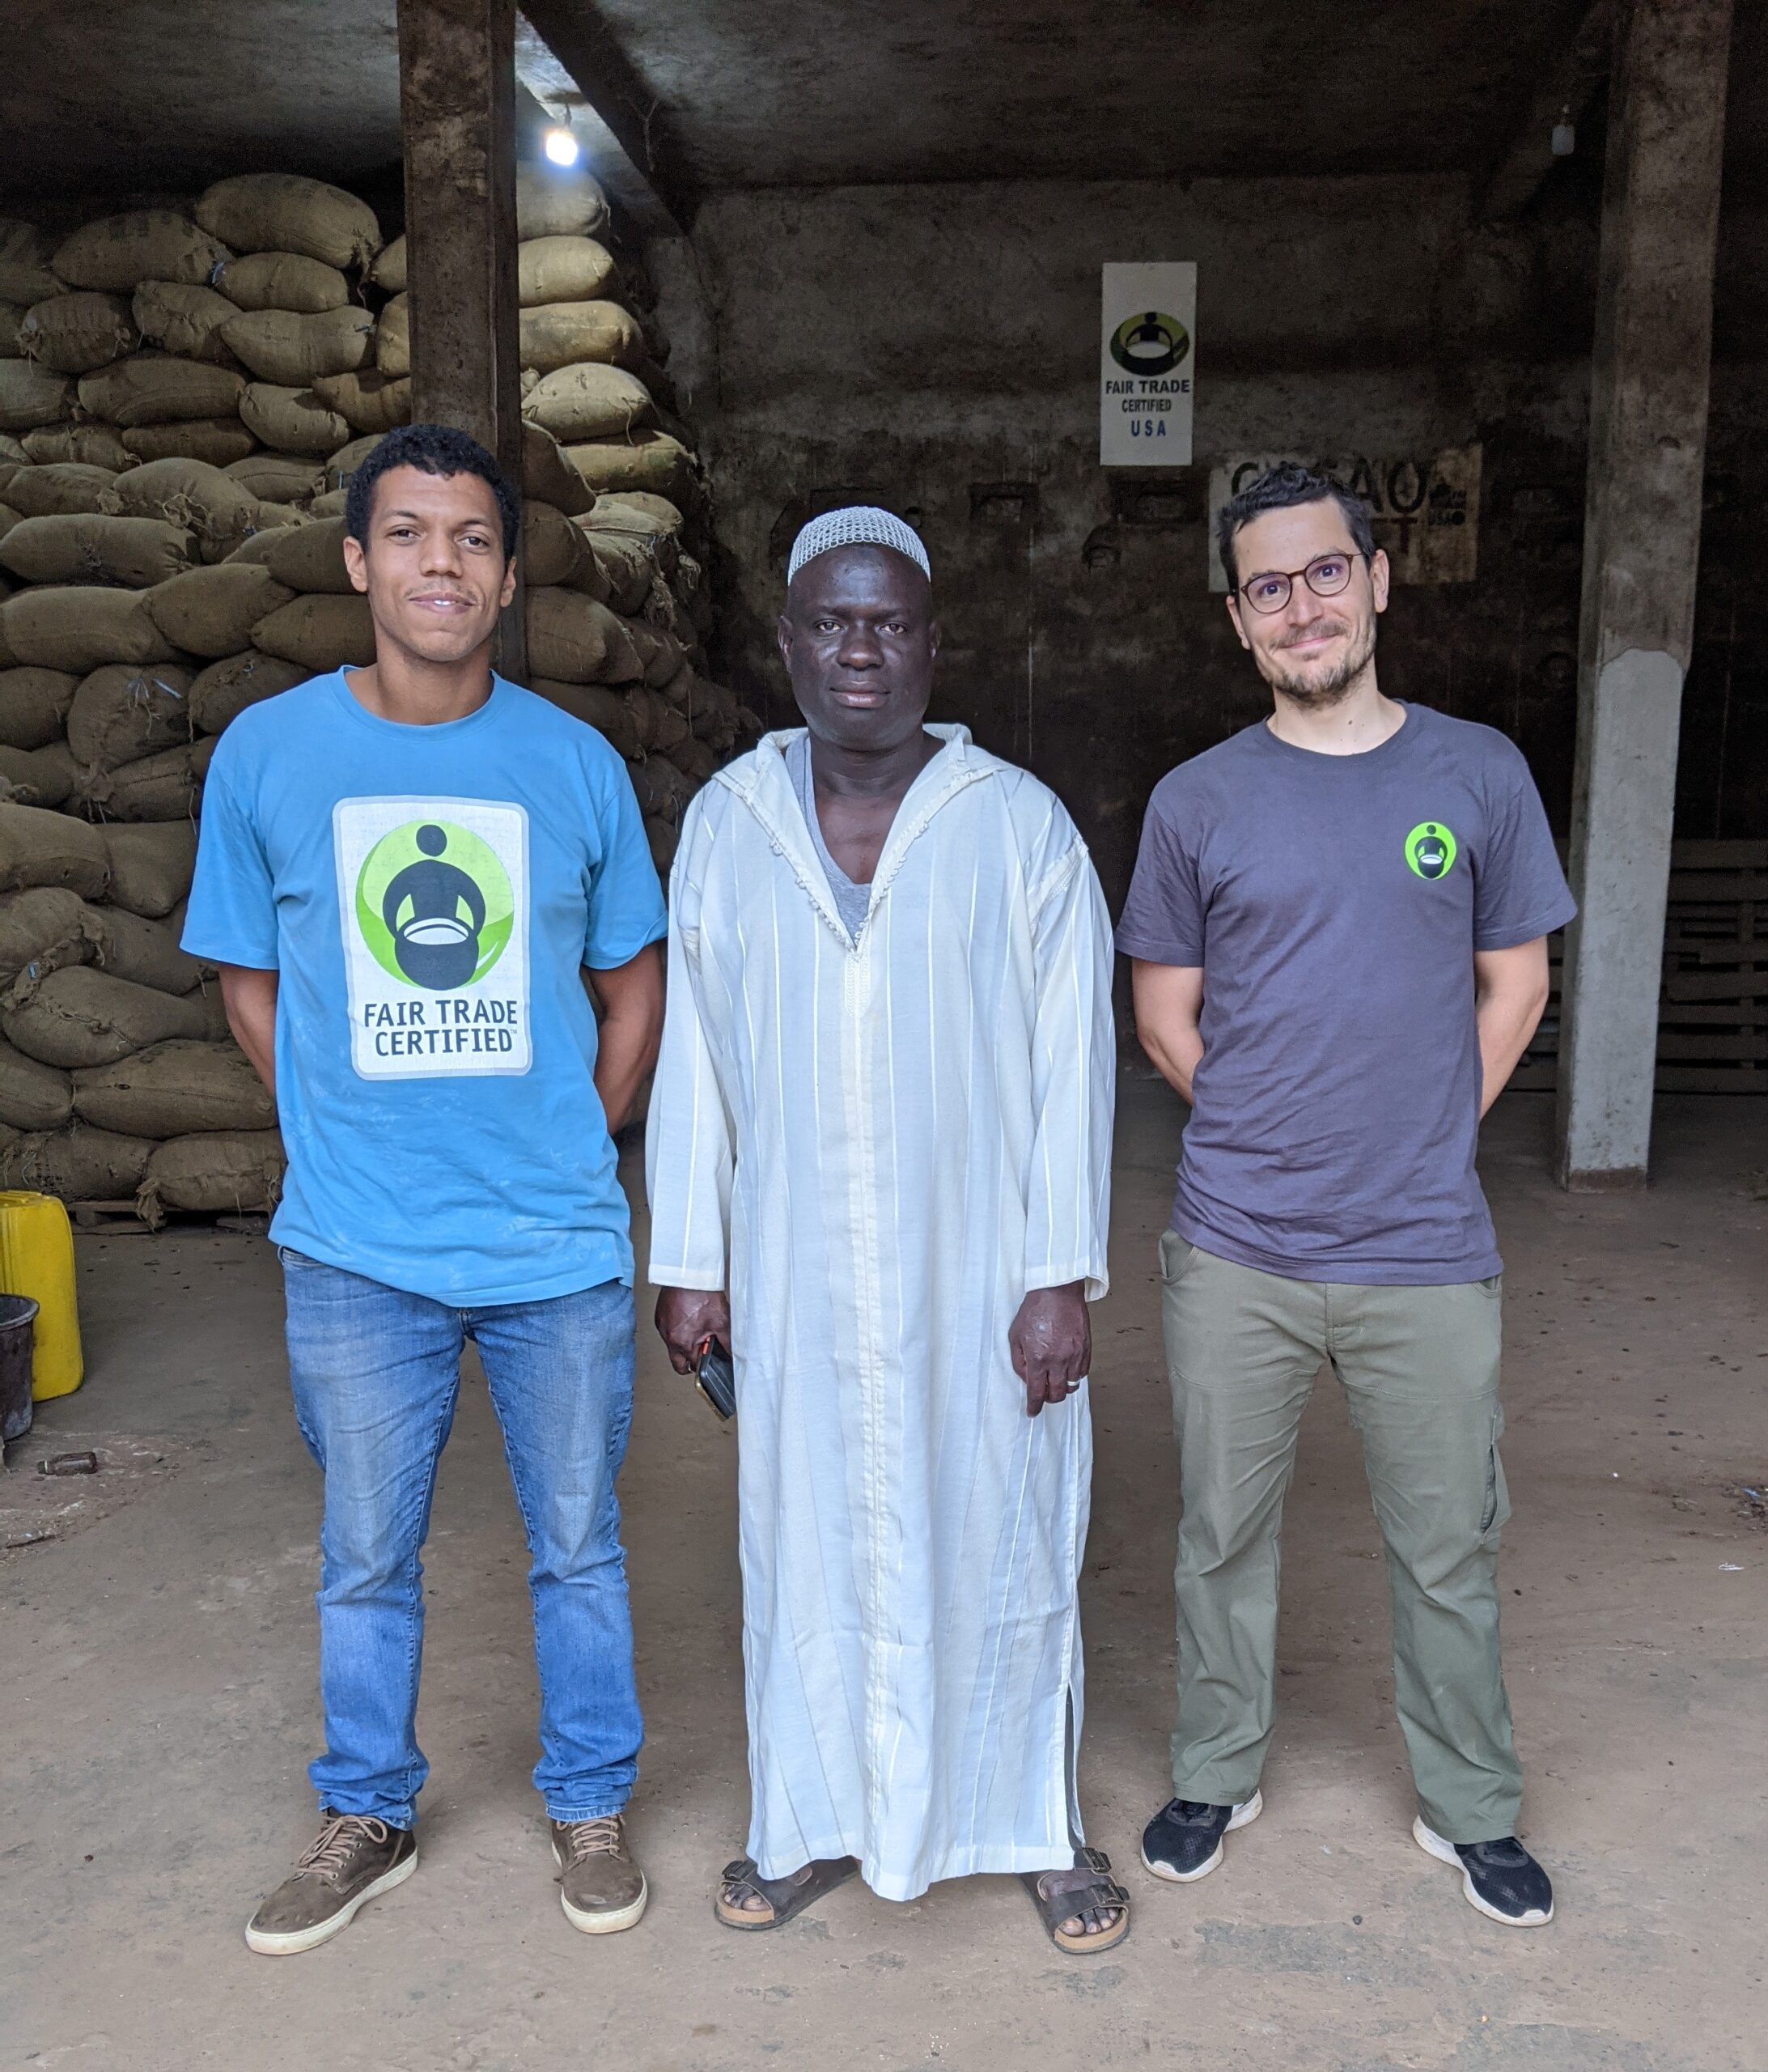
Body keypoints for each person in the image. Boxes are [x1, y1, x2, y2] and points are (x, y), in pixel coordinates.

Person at [183, 422, 668, 1955]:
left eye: (470, 538)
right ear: (356, 561)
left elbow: (634, 981)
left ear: (511, 574)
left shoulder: (571, 763)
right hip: (355, 1249)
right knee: (364, 1555)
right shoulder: (267, 754)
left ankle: (589, 1801)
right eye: (407, 534)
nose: (439, 563)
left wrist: (576, 1141)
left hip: (554, 1245)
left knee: (579, 1544)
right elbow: (247, 981)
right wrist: (330, 1126)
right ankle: (367, 1814)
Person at [646, 507, 1128, 1952]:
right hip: (795, 1271)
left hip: (976, 1272)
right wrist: (691, 1262)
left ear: (932, 645)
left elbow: (1071, 1069)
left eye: (890, 624)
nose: (862, 649)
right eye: (832, 624)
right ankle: (808, 1819)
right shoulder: (729, 825)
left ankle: (1030, 1823)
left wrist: (1058, 1274)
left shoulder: (1016, 825)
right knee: (807, 1543)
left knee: (1005, 1532)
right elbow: (698, 1063)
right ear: (787, 643)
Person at [1117, 461, 1574, 1930]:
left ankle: (1469, 1808)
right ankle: (1214, 1768)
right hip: (1238, 1246)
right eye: (1268, 586)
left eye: (1325, 574)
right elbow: (1164, 1015)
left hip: (1425, 1249)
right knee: (1219, 1533)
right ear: (1239, 622)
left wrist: (1424, 1131)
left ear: (1377, 581)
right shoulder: (1197, 802)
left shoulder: (1476, 774)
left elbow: (1516, 980)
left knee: (1447, 1547)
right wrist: (1272, 1130)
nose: (1300, 606)